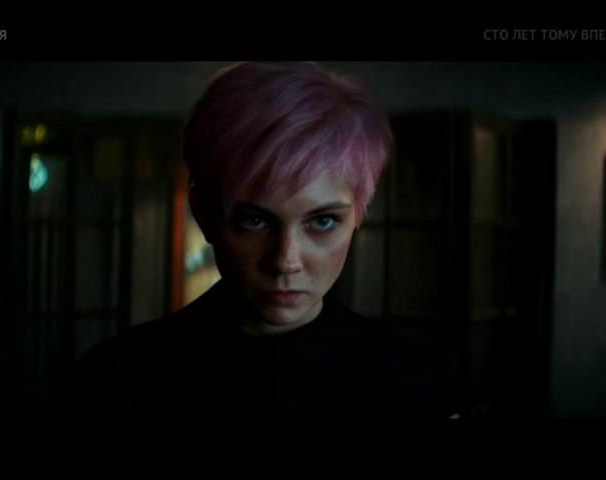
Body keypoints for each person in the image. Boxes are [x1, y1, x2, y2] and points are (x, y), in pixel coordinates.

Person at [70, 62, 447, 423]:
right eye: (254, 220)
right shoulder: (117, 379)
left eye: (322, 221)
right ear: (203, 213)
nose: (285, 261)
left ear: (357, 217)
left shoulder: (409, 379)